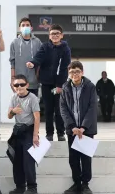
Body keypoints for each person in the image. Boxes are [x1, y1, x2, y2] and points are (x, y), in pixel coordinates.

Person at [26, 24, 71, 141]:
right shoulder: (45, 47)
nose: (54, 36)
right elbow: (38, 57)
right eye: (52, 34)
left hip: (59, 84)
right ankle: (49, 134)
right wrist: (33, 63)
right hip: (46, 83)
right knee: (48, 109)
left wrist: (60, 85)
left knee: (59, 110)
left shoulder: (65, 49)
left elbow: (64, 68)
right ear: (49, 36)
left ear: (61, 35)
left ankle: (61, 133)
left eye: (57, 34)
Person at [60, 61, 97, 194]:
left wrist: (83, 127)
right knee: (73, 158)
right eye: (72, 72)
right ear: (69, 74)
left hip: (87, 129)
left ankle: (85, 184)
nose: (74, 74)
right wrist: (72, 126)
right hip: (72, 130)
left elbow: (92, 108)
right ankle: (76, 183)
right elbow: (63, 109)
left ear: (82, 72)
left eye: (77, 71)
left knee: (86, 157)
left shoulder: (90, 87)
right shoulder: (65, 88)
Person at [7, 74, 40, 194]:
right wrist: (13, 111)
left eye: (21, 84)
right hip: (18, 131)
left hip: (29, 130)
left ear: (27, 85)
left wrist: (35, 135)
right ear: (13, 86)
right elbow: (9, 115)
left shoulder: (33, 98)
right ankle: (20, 186)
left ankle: (32, 187)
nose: (19, 87)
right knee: (17, 160)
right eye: (16, 85)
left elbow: (37, 118)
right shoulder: (13, 97)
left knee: (28, 160)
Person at [9, 18, 42, 96]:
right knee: (20, 107)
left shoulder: (37, 42)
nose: (25, 27)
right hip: (19, 83)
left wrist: (37, 76)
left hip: (33, 82)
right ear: (19, 28)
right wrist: (12, 79)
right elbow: (12, 62)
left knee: (33, 106)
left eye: (27, 25)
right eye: (23, 25)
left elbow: (40, 60)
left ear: (31, 28)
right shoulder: (14, 43)